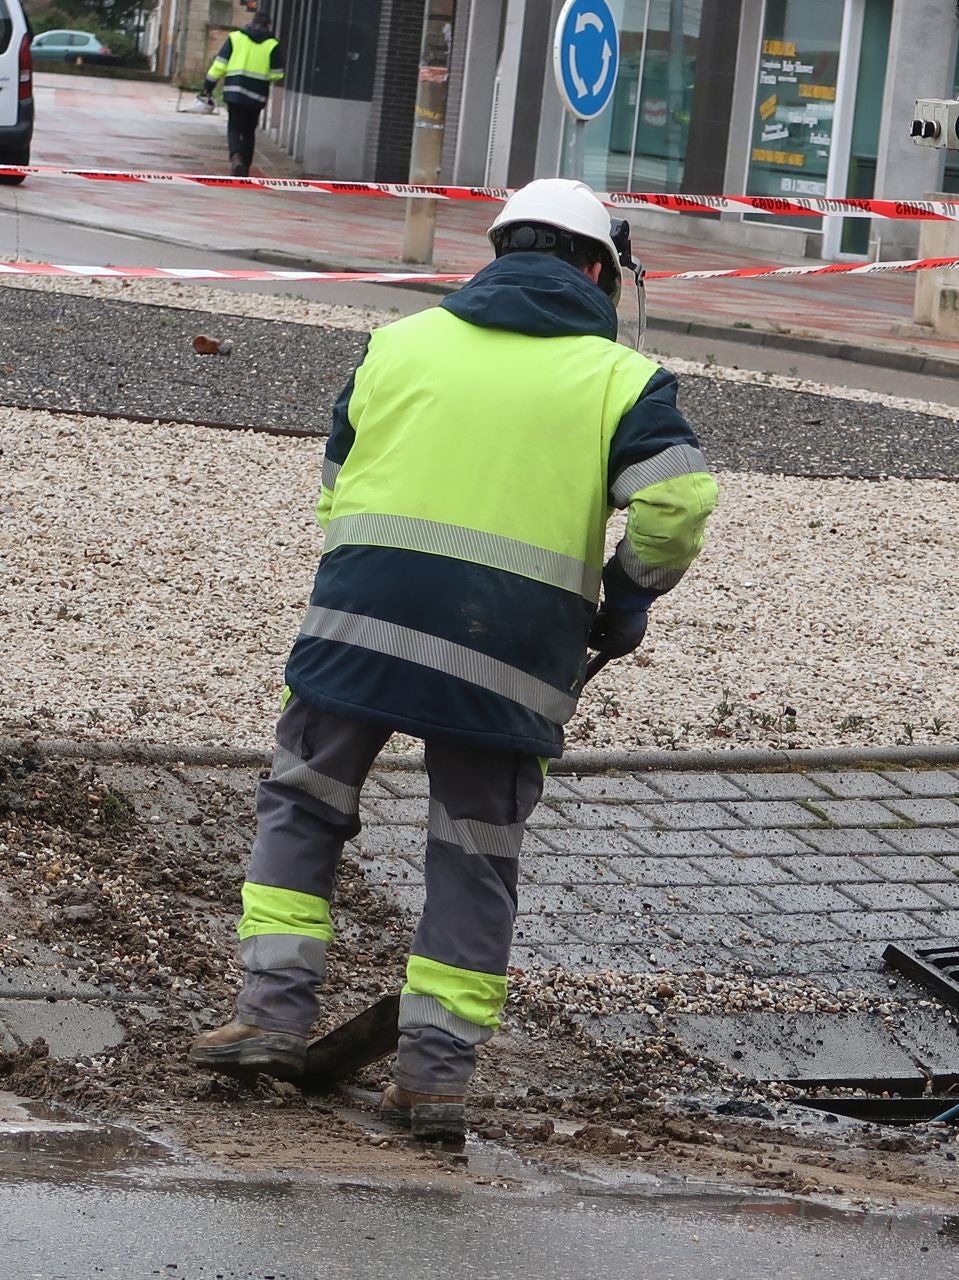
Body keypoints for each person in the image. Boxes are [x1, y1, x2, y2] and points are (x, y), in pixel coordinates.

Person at [189, 179, 718, 1140]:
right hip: (511, 653)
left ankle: (269, 1016)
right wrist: (629, 591)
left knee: (303, 804)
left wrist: (364, 572)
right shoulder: (621, 378)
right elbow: (679, 503)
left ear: (499, 252)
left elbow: (340, 475)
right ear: (599, 269)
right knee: (474, 854)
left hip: (360, 625)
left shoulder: (400, 342)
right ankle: (432, 1079)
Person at [200, 11, 284, 177]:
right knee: (249, 131)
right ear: (268, 26)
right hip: (257, 94)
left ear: (251, 22)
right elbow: (277, 74)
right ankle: (244, 168)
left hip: (234, 91)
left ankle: (236, 157)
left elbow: (220, 65)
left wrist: (208, 86)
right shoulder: (272, 44)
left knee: (234, 126)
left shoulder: (235, 37)